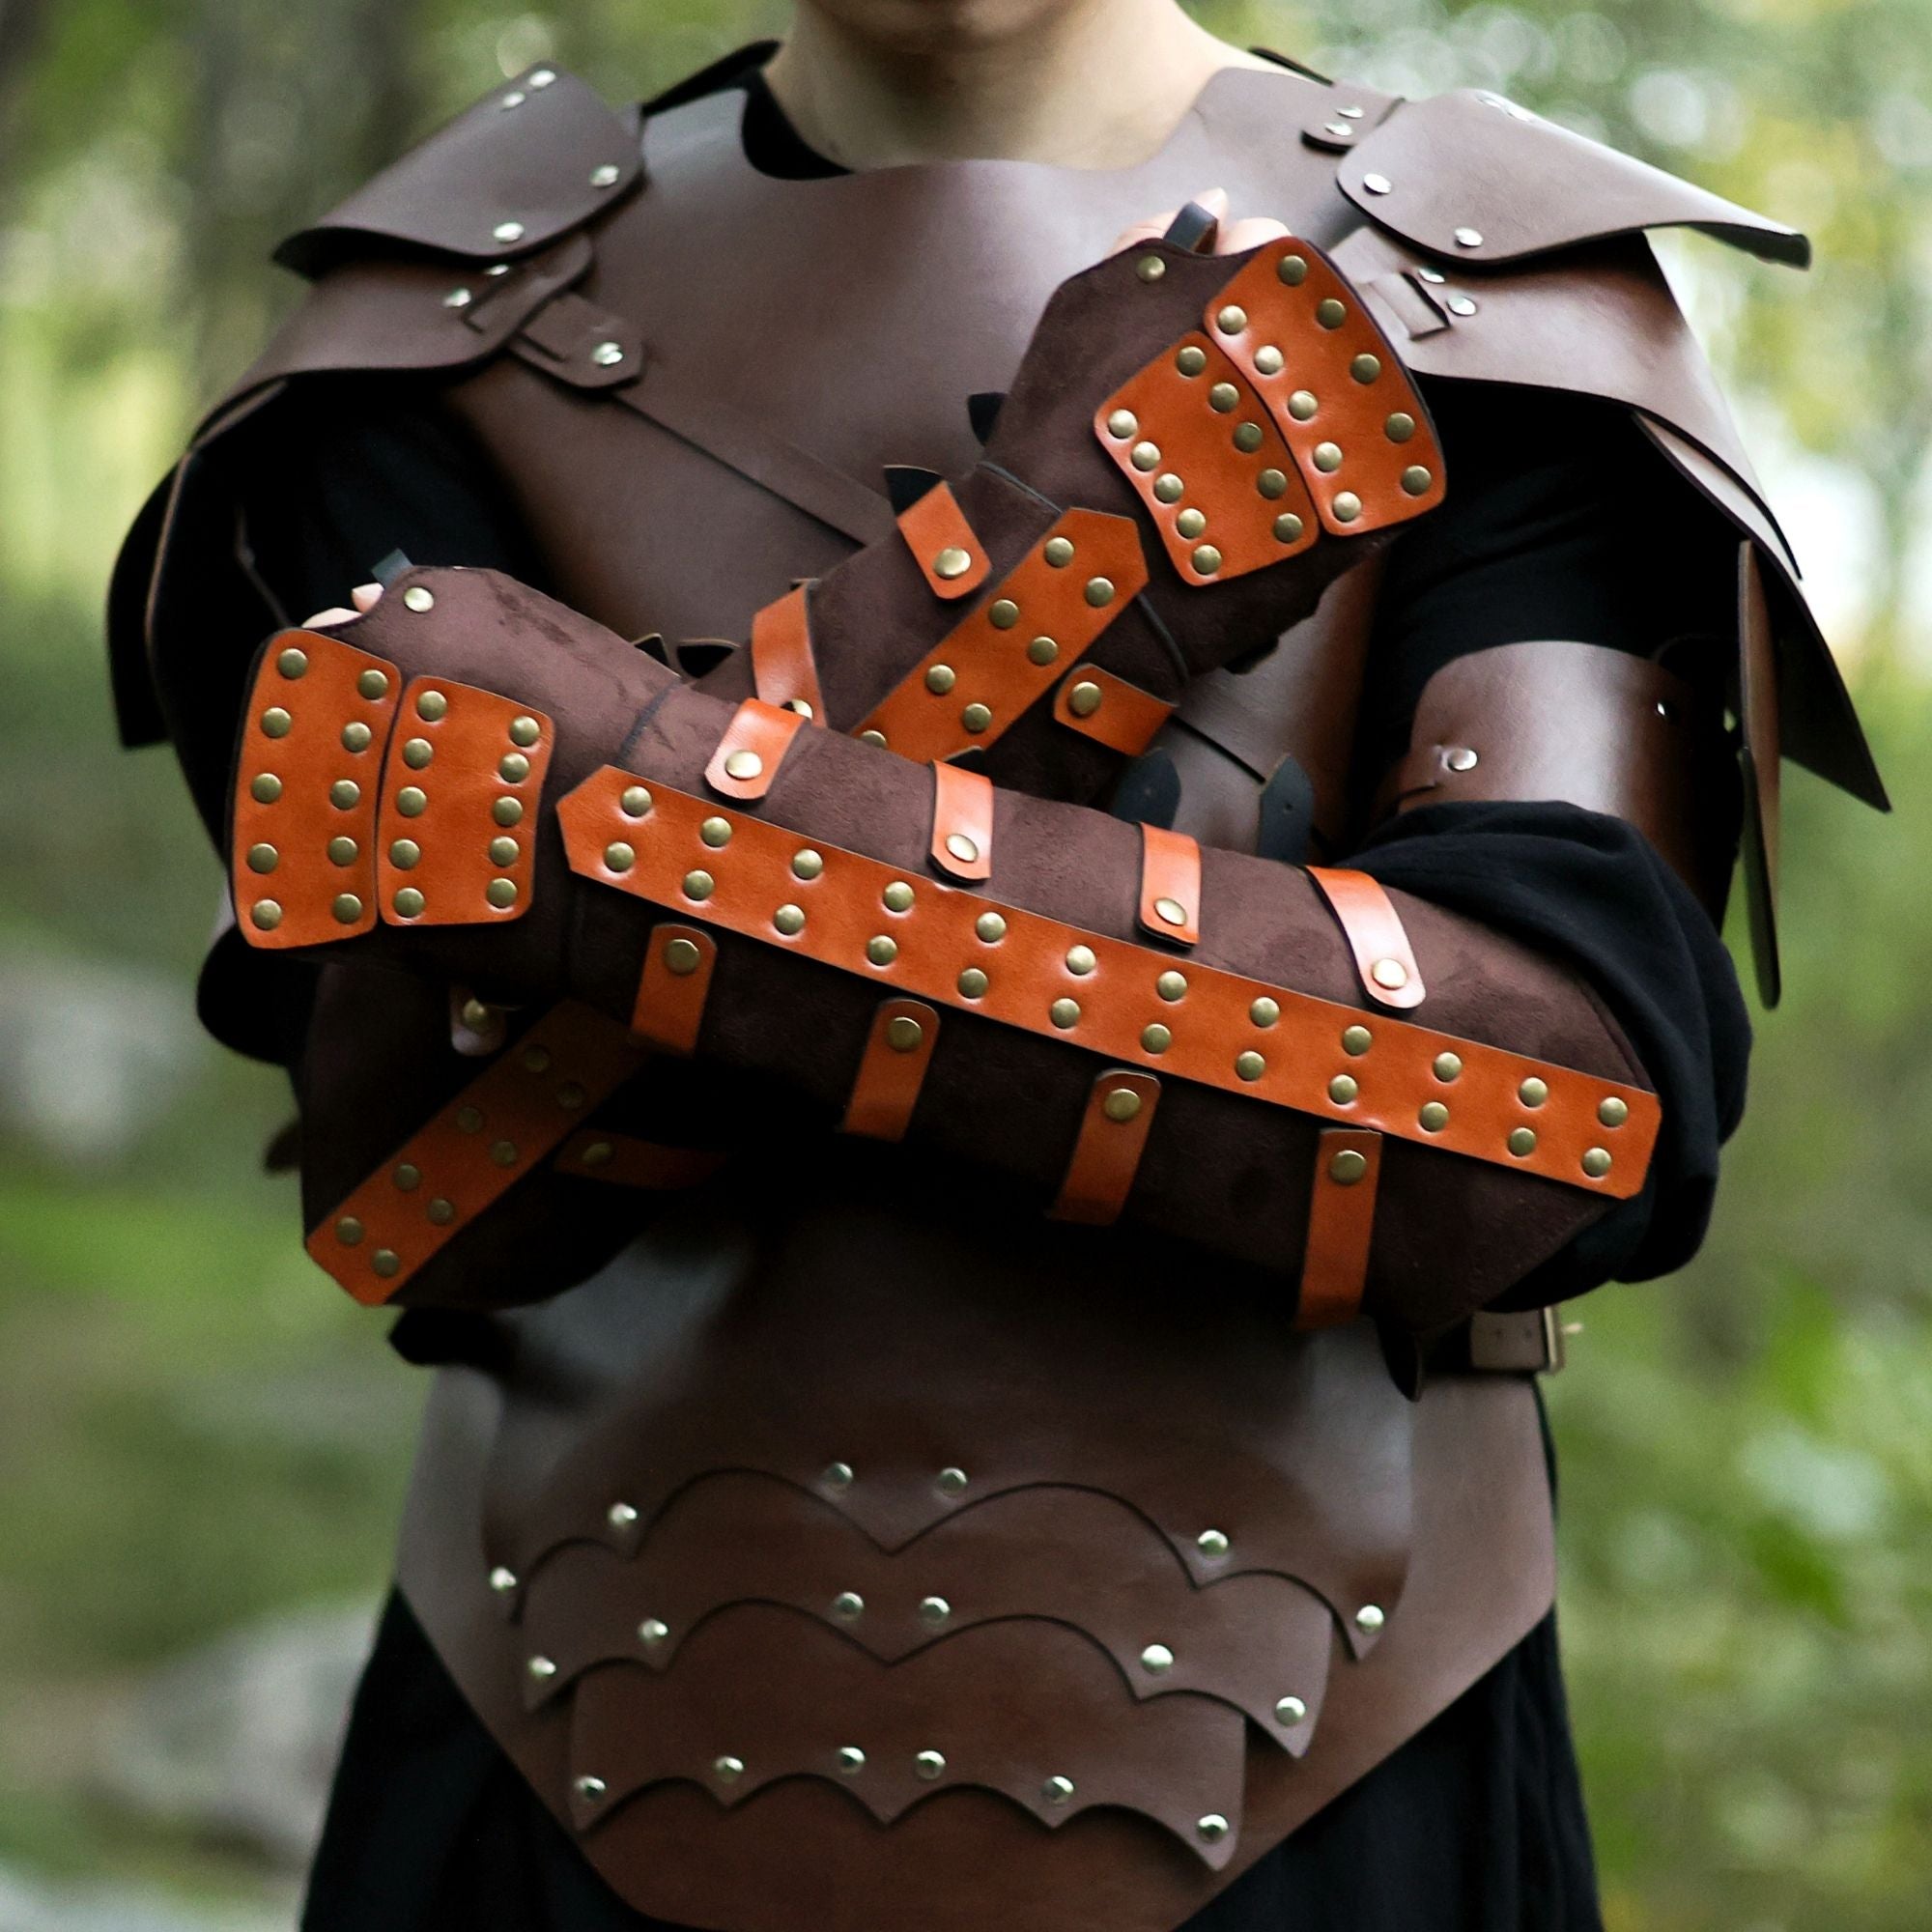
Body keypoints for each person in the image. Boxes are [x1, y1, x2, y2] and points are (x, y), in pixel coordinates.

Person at [107, 2, 1886, 1928]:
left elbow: (1544, 1108)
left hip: (1336, 1776)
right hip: (551, 1737)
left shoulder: (1480, 294)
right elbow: (426, 1173)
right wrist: (1057, 583)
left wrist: (602, 819)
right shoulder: (427, 328)